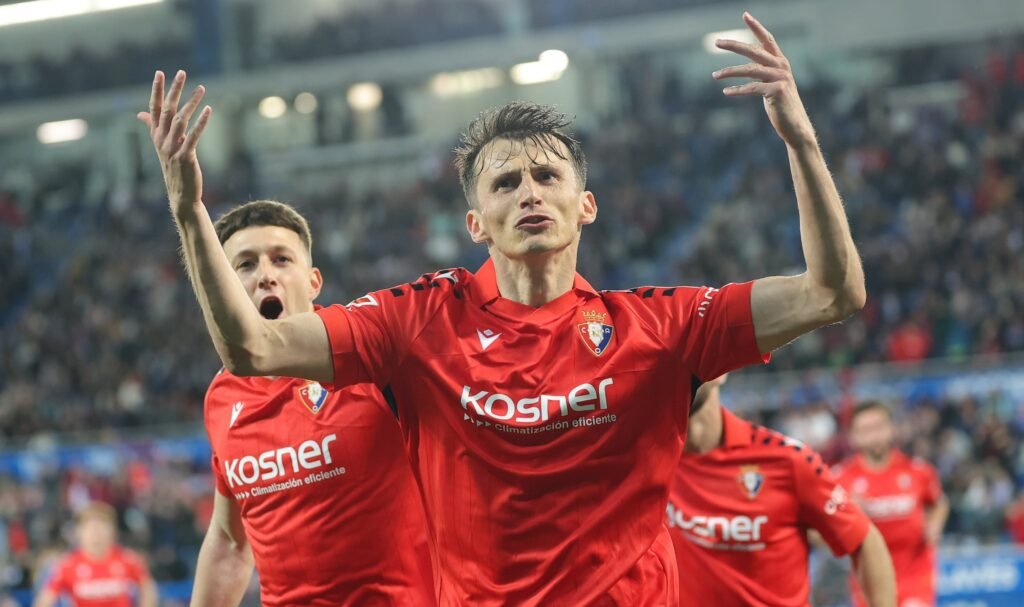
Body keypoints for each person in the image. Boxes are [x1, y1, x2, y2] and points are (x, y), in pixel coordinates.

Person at [140, 12, 867, 605]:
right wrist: (188, 209)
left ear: (585, 206)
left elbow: (832, 292)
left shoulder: (658, 325)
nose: (529, 191)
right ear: (475, 223)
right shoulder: (418, 322)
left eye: (548, 176)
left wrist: (801, 141)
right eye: (505, 181)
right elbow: (252, 351)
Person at [189, 200, 434, 606]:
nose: (266, 275)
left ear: (314, 281)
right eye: (245, 265)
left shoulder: (374, 362)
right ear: (223, 292)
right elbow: (232, 540)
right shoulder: (222, 396)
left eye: (281, 259)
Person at [666, 375, 896, 607]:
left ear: (720, 372)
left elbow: (865, 541)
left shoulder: (786, 460)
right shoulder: (647, 461)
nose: (677, 373)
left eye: (690, 357)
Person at [835, 401, 949, 607]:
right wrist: (847, 516)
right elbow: (818, 532)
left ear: (892, 428)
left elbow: (939, 503)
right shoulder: (840, 479)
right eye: (866, 430)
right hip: (869, 579)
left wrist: (935, 524)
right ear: (853, 436)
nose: (874, 435)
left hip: (915, 572)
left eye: (879, 427)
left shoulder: (918, 471)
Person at [33, 502, 158, 607]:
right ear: (79, 532)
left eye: (102, 525)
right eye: (90, 527)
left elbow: (148, 588)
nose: (96, 532)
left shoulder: (128, 560)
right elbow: (45, 599)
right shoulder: (67, 565)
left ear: (112, 531)